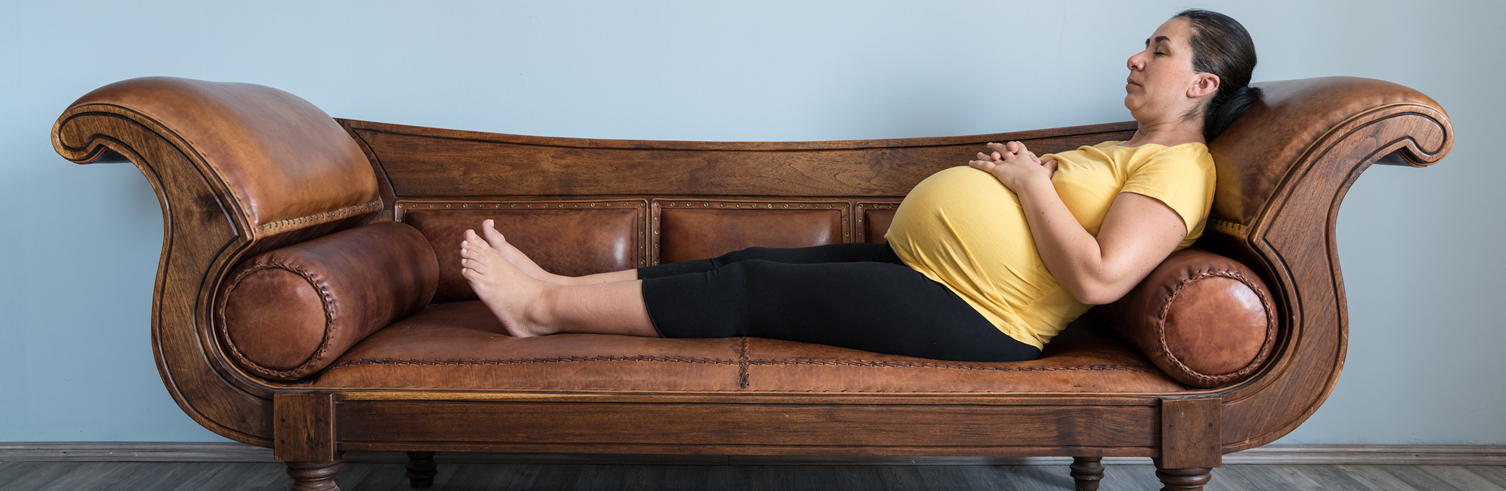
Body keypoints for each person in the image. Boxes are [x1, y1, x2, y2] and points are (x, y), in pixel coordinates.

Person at [457, 9, 1261, 362]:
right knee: (747, 260)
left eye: (1158, 49)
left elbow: (1100, 274)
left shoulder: (1178, 168)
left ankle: (537, 313)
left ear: (1202, 84)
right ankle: (555, 290)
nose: (1136, 57)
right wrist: (1038, 178)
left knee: (756, 289)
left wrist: (1027, 183)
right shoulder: (1131, 149)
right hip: (929, 273)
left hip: (983, 317)